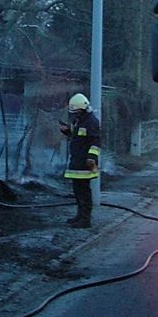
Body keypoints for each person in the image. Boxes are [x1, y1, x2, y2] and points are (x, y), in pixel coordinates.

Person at [59, 93, 100, 228]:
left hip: (84, 164)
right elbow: (78, 139)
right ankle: (80, 216)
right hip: (77, 162)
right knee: (78, 191)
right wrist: (67, 132)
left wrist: (91, 158)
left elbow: (95, 142)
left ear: (82, 109)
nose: (74, 114)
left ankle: (85, 220)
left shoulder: (91, 122)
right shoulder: (80, 121)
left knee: (84, 192)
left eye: (76, 112)